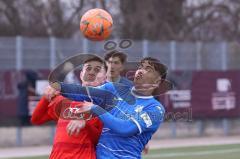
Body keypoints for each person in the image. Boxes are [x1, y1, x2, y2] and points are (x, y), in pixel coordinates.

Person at [56, 57, 170, 159]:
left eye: (148, 70)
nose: (140, 71)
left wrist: (96, 109)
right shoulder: (114, 89)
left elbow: (126, 129)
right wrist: (58, 87)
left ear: (157, 82)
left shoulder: (155, 109)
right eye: (140, 67)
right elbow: (82, 92)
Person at [31, 56, 106, 159]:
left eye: (97, 70)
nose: (91, 72)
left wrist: (85, 123)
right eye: (88, 68)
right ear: (81, 74)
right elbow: (36, 120)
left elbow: (100, 142)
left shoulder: (104, 106)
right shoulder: (63, 100)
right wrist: (46, 96)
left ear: (105, 78)